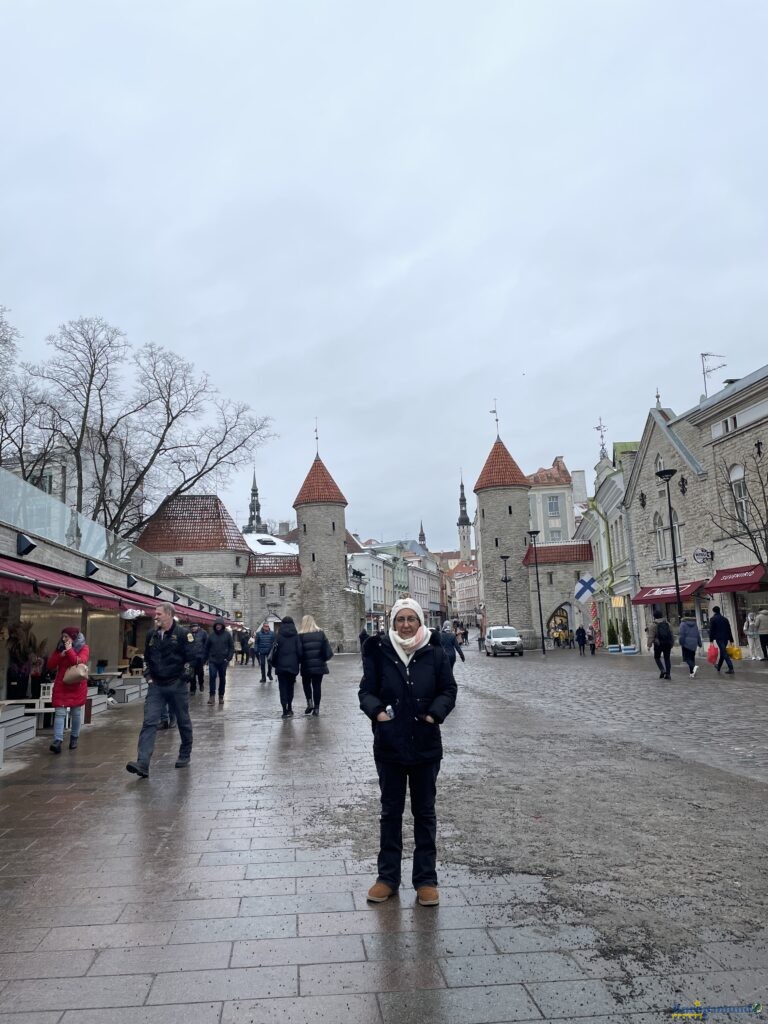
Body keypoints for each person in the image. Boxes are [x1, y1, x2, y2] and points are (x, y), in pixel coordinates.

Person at [359, 597, 457, 908]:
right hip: (389, 744)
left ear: (419, 621)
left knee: (425, 813)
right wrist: (378, 714)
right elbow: (366, 690)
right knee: (390, 813)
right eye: (399, 619)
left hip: (426, 744)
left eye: (410, 619)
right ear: (392, 623)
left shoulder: (435, 650)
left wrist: (433, 715)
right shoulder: (380, 651)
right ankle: (387, 877)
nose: (404, 624)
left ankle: (425, 880)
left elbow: (448, 689)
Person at [126, 603, 194, 779]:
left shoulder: (182, 634)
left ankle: (185, 753)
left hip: (176, 685)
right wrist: (148, 676)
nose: (155, 617)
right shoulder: (151, 635)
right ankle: (143, 763)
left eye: (159, 614)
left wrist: (184, 678)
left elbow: (193, 657)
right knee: (149, 722)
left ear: (169, 615)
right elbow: (146, 658)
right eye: (155, 614)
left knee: (183, 720)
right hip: (156, 685)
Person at [46, 626, 89, 754]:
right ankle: (57, 741)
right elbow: (50, 665)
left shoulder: (84, 647)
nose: (64, 639)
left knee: (75, 713)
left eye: (67, 637)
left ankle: (74, 738)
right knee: (59, 712)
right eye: (63, 636)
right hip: (62, 684)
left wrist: (70, 650)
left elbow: (79, 661)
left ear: (73, 638)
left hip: (77, 684)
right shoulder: (60, 647)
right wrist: (60, 655)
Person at [298, 614, 334, 715]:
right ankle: (317, 708)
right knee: (317, 686)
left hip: (306, 665)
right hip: (319, 665)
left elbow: (299, 652)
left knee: (306, 684)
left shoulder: (300, 635)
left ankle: (310, 702)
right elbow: (326, 650)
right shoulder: (321, 633)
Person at [270, 616, 302, 717]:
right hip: (292, 666)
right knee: (290, 687)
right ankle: (290, 708)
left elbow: (274, 652)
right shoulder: (296, 636)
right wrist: (298, 662)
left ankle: (284, 710)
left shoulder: (278, 636)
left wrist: (275, 664)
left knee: (282, 688)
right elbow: (300, 652)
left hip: (281, 666)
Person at [206, 618, 234, 704]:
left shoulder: (227, 635)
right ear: (215, 626)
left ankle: (221, 696)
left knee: (222, 678)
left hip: (223, 660)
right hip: (213, 660)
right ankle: (212, 696)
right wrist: (207, 658)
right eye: (217, 625)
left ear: (222, 626)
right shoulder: (211, 635)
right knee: (212, 677)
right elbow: (206, 647)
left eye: (220, 625)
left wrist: (228, 658)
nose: (218, 626)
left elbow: (231, 647)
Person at [709, 605, 735, 674]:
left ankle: (731, 668)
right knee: (723, 652)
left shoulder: (713, 619)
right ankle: (719, 666)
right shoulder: (725, 619)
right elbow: (729, 630)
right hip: (725, 638)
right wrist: (731, 640)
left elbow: (711, 630)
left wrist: (711, 640)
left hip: (719, 638)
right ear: (719, 610)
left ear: (713, 611)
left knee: (724, 652)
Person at [647, 612, 673, 679]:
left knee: (657, 657)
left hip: (658, 644)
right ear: (662, 616)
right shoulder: (668, 624)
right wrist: (671, 643)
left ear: (654, 617)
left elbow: (651, 636)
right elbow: (671, 634)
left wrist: (649, 645)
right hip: (667, 643)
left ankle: (662, 670)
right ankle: (668, 674)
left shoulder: (653, 625)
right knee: (667, 659)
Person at [678, 611, 702, 678]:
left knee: (687, 658)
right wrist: (699, 643)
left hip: (686, 643)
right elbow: (697, 634)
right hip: (694, 643)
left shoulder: (682, 624)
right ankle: (692, 673)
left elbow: (681, 635)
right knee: (692, 657)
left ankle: (693, 667)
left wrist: (681, 642)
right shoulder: (695, 624)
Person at [188, 623, 208, 694]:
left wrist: (205, 656)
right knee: (191, 674)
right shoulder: (188, 633)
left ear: (198, 627)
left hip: (200, 657)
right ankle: (193, 689)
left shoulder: (203, 633)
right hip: (191, 657)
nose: (193, 628)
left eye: (194, 627)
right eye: (192, 627)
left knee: (200, 673)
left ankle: (201, 683)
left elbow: (206, 644)